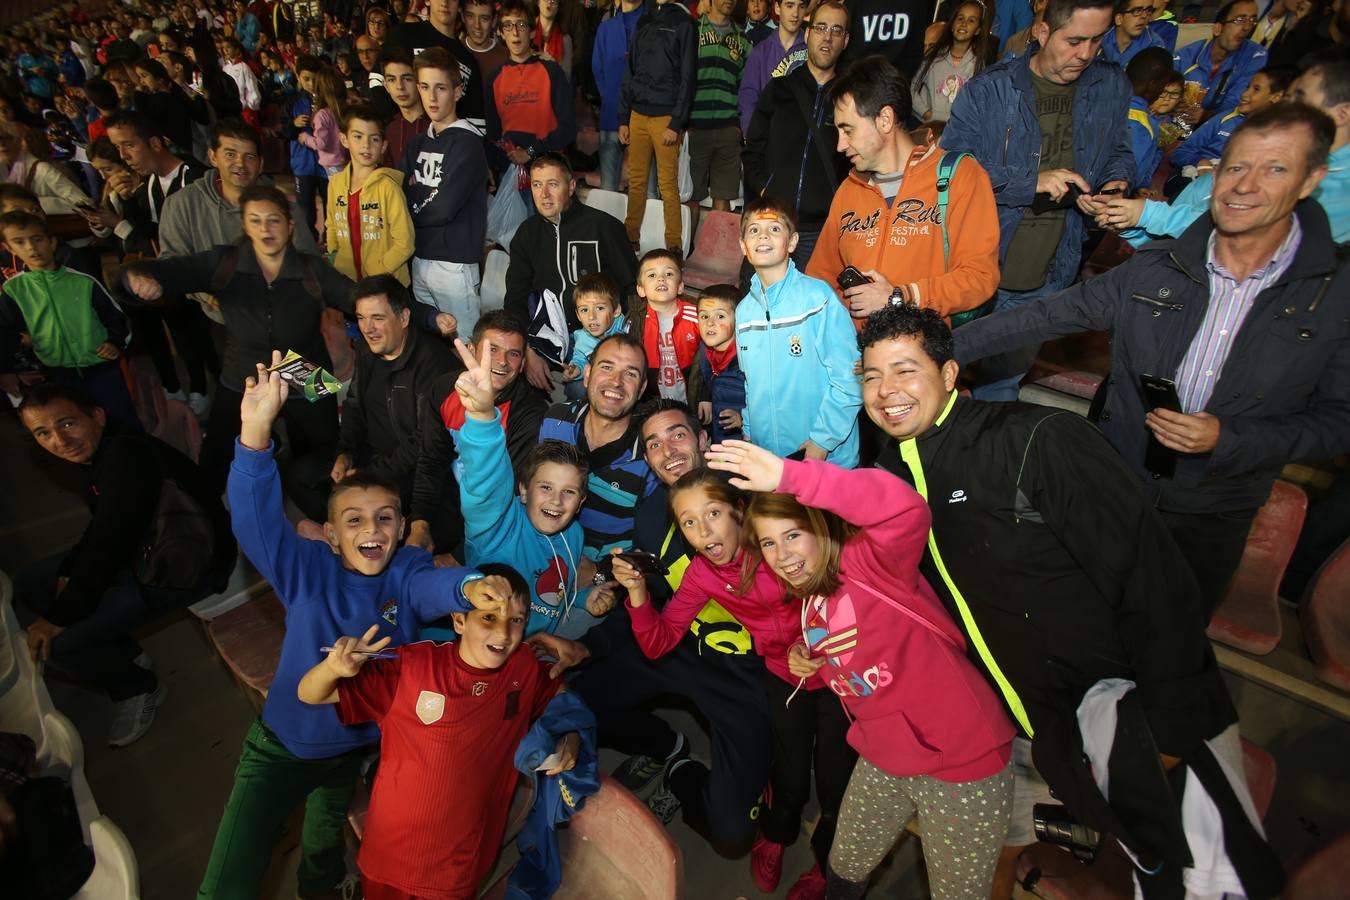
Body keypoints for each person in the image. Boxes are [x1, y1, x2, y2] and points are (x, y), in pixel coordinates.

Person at [858, 303, 1255, 900]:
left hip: (1129, 717)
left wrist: (1169, 728)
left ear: (949, 375)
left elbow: (1153, 578)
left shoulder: (1036, 439)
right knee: (1000, 853)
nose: (886, 391)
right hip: (1021, 727)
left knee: (1188, 880)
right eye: (871, 376)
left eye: (905, 370)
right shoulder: (892, 472)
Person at [954, 102, 1350, 616]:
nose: (1244, 186)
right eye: (1234, 167)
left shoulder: (1334, 296)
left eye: (1274, 168)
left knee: (1170, 643)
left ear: (1310, 179)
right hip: (1115, 485)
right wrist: (933, 353)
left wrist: (1230, 439)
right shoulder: (1156, 269)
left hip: (1213, 511)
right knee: (1080, 618)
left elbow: (1339, 421)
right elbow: (1038, 319)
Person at [197, 352, 510, 900]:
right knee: (231, 876)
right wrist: (254, 432)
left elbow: (435, 586)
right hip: (283, 747)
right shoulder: (305, 569)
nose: (373, 530)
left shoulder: (407, 569)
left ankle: (319, 886)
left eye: (385, 518)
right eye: (355, 520)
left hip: (356, 742)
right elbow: (254, 520)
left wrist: (470, 587)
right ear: (331, 534)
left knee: (323, 839)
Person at [708, 439, 1017, 900]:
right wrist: (802, 655)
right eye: (769, 543)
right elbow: (846, 652)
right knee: (845, 865)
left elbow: (904, 510)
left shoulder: (870, 565)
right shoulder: (811, 598)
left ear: (820, 525)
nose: (781, 554)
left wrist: (793, 479)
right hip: (886, 753)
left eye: (792, 534)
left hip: (963, 762)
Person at [609, 468, 855, 898]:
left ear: (739, 510)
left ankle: (827, 866)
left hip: (841, 679)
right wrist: (637, 594)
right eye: (689, 522)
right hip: (783, 681)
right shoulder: (704, 575)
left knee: (837, 786)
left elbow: (844, 588)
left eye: (713, 513)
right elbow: (658, 642)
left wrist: (822, 650)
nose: (703, 531)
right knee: (791, 780)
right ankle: (776, 837)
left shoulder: (779, 546)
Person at [124, 184, 455, 503]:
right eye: (255, 220)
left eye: (274, 220)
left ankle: (334, 518)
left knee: (326, 451)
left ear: (290, 225)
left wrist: (426, 316)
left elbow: (364, 299)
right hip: (246, 369)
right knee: (218, 455)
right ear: (244, 225)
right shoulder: (224, 263)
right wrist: (134, 278)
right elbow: (166, 272)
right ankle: (204, 522)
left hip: (303, 367)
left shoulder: (312, 270)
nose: (265, 229)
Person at [297, 567, 582, 899]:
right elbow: (309, 693)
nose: (503, 634)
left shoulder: (523, 667)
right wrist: (331, 669)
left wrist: (569, 734)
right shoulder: (413, 668)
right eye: (488, 618)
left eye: (516, 620)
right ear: (459, 621)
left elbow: (558, 693)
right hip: (392, 858)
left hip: (459, 866)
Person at [15, 384, 234, 746]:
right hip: (143, 551)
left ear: (96, 416)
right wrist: (71, 570)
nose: (59, 440)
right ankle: (124, 653)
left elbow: (110, 542)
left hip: (185, 567)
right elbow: (105, 528)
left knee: (62, 647)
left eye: (67, 423)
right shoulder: (101, 454)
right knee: (31, 583)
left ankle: (138, 689)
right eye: (43, 433)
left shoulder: (126, 458)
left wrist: (59, 617)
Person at [940, 0, 1134, 401]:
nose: (1086, 53)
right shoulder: (990, 90)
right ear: (1042, 33)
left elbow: (1119, 149)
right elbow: (951, 169)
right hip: (979, 262)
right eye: (1074, 40)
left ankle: (990, 455)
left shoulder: (1110, 86)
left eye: (1097, 39)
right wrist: (1031, 182)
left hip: (1052, 267)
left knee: (1003, 382)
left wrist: (1116, 182)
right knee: (942, 369)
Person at [807, 57, 1001, 321]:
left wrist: (902, 296)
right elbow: (820, 279)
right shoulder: (849, 191)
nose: (840, 145)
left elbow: (980, 277)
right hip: (856, 357)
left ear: (885, 119)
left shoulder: (960, 176)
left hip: (922, 355)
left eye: (848, 130)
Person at [452, 336, 612, 638]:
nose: (556, 501)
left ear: (580, 503)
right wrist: (483, 417)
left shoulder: (573, 535)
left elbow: (551, 595)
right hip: (483, 649)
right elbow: (486, 484)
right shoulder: (499, 523)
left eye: (569, 492)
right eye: (546, 488)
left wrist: (583, 597)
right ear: (523, 490)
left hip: (534, 653)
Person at [1100, 60, 1350, 245]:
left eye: (1300, 97)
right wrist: (1133, 224)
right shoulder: (1283, 152)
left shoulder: (1337, 191)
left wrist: (1147, 214)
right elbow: (1174, 241)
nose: (1287, 105)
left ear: (1343, 113)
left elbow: (1238, 234)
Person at [303, 274, 457, 532]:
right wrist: (345, 453)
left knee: (365, 507)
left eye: (378, 318)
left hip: (413, 475)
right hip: (369, 460)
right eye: (361, 318)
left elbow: (424, 444)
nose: (367, 328)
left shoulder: (434, 365)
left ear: (404, 318)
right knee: (301, 476)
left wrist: (372, 476)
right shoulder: (367, 350)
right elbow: (353, 405)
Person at [408, 310, 549, 556]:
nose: (502, 361)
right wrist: (420, 523)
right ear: (471, 350)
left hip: (499, 515)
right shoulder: (443, 389)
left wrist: (459, 556)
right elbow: (432, 461)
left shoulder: (531, 412)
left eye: (513, 354)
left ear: (523, 363)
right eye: (492, 349)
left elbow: (513, 493)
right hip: (451, 500)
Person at [741, 197, 862, 467]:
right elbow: (751, 382)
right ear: (743, 247)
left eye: (774, 229)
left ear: (792, 242)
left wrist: (822, 441)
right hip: (770, 461)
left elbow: (850, 378)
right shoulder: (743, 313)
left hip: (824, 457)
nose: (763, 235)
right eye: (753, 230)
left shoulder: (818, 299)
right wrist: (749, 433)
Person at [505, 151, 637, 391]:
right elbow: (515, 300)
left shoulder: (604, 227)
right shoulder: (526, 235)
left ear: (571, 186)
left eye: (553, 184)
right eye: (537, 185)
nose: (543, 194)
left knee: (578, 389)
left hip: (599, 339)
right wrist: (528, 351)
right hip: (548, 340)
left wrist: (618, 346)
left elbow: (633, 293)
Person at [0, 211, 137, 430]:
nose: (31, 248)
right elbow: (5, 333)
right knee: (75, 427)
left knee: (120, 422)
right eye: (19, 242)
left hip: (101, 367)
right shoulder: (13, 290)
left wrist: (115, 343)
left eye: (38, 239)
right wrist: (14, 368)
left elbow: (117, 317)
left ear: (52, 242)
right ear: (9, 248)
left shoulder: (83, 281)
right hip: (56, 373)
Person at [742, 0, 851, 266]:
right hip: (773, 224)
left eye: (836, 30)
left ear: (845, 41)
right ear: (808, 33)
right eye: (821, 27)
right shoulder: (779, 89)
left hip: (822, 231)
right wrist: (763, 186)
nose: (827, 37)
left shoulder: (850, 98)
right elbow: (752, 147)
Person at [539, 333, 659, 556]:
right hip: (542, 556)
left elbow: (649, 546)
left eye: (630, 373)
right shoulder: (556, 420)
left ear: (641, 389)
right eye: (606, 367)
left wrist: (600, 574)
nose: (616, 381)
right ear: (587, 374)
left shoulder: (651, 454)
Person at [401, 46, 489, 334]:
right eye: (425, 87)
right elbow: (403, 195)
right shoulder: (416, 144)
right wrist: (421, 198)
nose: (431, 97)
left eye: (440, 87)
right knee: (430, 343)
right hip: (419, 257)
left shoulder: (467, 143)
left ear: (458, 91)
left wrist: (415, 200)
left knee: (464, 346)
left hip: (454, 264)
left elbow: (445, 206)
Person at [158, 118, 320, 262]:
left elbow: (310, 263)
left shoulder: (285, 208)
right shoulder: (181, 204)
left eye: (249, 157)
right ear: (213, 157)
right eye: (230, 154)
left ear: (260, 164)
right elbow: (171, 265)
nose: (240, 164)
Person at [618, 0, 697, 254]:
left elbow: (688, 77)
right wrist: (623, 117)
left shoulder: (685, 24)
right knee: (636, 181)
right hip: (638, 114)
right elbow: (630, 71)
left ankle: (674, 247)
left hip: (666, 117)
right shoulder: (645, 19)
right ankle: (630, 242)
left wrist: (677, 121)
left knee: (668, 186)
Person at [325, 102, 415, 285]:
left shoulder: (388, 188)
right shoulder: (335, 184)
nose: (366, 145)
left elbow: (405, 242)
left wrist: (379, 271)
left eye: (374, 139)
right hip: (348, 282)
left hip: (384, 284)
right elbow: (332, 225)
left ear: (383, 146)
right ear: (344, 139)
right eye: (357, 137)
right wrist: (336, 257)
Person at [485, 1, 577, 170]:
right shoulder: (494, 78)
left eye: (521, 24)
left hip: (548, 169)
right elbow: (493, 135)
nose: (515, 32)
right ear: (501, 33)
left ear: (533, 31)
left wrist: (530, 151)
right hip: (509, 172)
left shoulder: (552, 71)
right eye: (507, 25)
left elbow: (568, 128)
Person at [688, 0, 751, 225]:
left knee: (723, 199)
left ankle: (713, 256)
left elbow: (747, 89)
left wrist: (739, 127)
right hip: (695, 128)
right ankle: (684, 252)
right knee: (690, 198)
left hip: (728, 129)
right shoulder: (693, 30)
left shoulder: (743, 39)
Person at [1170, 65, 1293, 173]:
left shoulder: (1280, 136)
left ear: (1276, 97)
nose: (1244, 94)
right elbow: (1180, 153)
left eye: (1256, 89)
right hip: (1195, 177)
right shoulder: (1227, 117)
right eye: (1247, 87)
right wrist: (1200, 162)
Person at [382, 0, 486, 129]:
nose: (444, 3)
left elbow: (475, 121)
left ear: (460, 5)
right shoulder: (403, 35)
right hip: (399, 138)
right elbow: (377, 83)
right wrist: (395, 129)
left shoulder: (468, 61)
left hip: (446, 144)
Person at [629, 247, 700, 402]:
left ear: (680, 286)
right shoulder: (635, 322)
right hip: (651, 401)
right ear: (641, 290)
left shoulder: (697, 316)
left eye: (668, 274)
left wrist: (704, 397)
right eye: (652, 275)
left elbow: (708, 360)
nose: (661, 279)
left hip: (690, 400)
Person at [1173, 0, 1267, 117]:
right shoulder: (1185, 56)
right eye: (1240, 20)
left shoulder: (1255, 55)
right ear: (1218, 28)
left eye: (1252, 20)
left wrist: (1205, 115)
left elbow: (1238, 101)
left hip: (1222, 124)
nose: (1247, 27)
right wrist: (1174, 104)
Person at [592, 0, 645, 192]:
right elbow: (597, 70)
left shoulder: (652, 23)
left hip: (646, 117)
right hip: (611, 114)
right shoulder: (605, 29)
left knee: (649, 192)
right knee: (608, 189)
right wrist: (611, 98)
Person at [911, 0, 993, 123]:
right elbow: (912, 88)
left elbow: (979, 104)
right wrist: (927, 114)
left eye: (971, 20)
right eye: (960, 18)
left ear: (978, 30)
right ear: (952, 24)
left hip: (957, 133)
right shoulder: (933, 57)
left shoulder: (978, 66)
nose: (964, 24)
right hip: (925, 126)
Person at [738, 0, 807, 137]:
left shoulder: (811, 50)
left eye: (801, 6)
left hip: (802, 139)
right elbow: (748, 96)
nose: (795, 13)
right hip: (767, 139)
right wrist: (752, 136)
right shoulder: (760, 51)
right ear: (777, 8)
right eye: (789, 5)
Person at [562, 272, 628, 401]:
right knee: (575, 388)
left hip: (622, 378)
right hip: (600, 380)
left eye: (599, 308)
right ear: (578, 315)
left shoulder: (627, 328)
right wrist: (576, 370)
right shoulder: (582, 339)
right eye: (584, 310)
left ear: (616, 311)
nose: (591, 317)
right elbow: (580, 360)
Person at [693, 284, 746, 445]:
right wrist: (705, 397)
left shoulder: (747, 360)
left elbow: (768, 399)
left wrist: (745, 419)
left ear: (738, 320)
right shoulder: (704, 349)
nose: (710, 323)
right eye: (704, 316)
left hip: (745, 440)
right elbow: (708, 375)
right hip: (720, 436)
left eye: (720, 316)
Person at [1123, 47, 1174, 190]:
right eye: (1163, 86)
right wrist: (1159, 150)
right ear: (1153, 85)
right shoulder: (1145, 125)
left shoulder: (1104, 104)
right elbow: (1131, 175)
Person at [842, 0, 928, 75]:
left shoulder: (917, 3)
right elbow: (842, 47)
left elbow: (914, 54)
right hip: (854, 82)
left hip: (894, 85)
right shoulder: (855, 3)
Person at [378, 46, 428, 167]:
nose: (400, 86)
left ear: (419, 82)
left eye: (407, 79)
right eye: (392, 80)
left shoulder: (437, 125)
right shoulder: (388, 131)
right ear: (386, 86)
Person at [1100, 0, 1168, 68]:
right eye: (1137, 11)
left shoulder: (1155, 46)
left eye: (1148, 10)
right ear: (1119, 19)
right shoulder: (1099, 39)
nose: (1144, 16)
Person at [462, 0, 510, 92]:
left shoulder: (507, 58)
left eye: (484, 18)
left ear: (494, 21)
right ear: (462, 17)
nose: (477, 25)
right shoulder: (453, 52)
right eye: (470, 16)